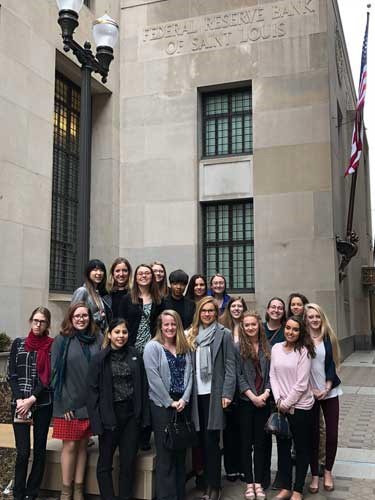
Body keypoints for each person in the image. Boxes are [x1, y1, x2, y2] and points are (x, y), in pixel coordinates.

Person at [87, 318, 148, 500]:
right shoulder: (99, 359)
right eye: (117, 332)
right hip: (109, 417)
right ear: (109, 334)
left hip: (131, 417)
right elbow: (92, 393)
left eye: (124, 332)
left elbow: (143, 388)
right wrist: (96, 424)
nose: (121, 336)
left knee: (128, 463)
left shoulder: (135, 355)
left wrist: (143, 418)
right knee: (105, 464)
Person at [51, 302, 103, 500]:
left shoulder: (97, 338)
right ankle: (66, 491)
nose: (81, 319)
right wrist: (64, 404)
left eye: (85, 316)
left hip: (90, 403)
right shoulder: (62, 340)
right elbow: (55, 375)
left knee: (82, 445)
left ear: (90, 317)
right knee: (70, 446)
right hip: (68, 404)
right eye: (77, 316)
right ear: (71, 318)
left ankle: (79, 490)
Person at [187, 296, 236, 500]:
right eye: (204, 310)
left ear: (216, 313)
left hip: (214, 395)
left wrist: (227, 393)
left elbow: (231, 366)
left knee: (211, 442)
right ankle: (205, 482)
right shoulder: (191, 334)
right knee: (198, 442)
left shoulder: (223, 334)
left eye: (211, 311)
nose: (207, 314)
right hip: (194, 396)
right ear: (199, 312)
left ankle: (215, 487)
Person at [143, 310, 193, 500]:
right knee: (165, 455)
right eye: (166, 324)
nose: (170, 328)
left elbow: (191, 375)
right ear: (160, 326)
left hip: (182, 404)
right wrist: (169, 402)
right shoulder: (152, 347)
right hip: (162, 405)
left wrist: (184, 399)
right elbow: (153, 378)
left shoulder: (185, 347)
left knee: (181, 452)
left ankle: (180, 495)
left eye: (173, 324)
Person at [8, 307, 54, 500]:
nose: (38, 324)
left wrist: (32, 398)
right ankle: (18, 493)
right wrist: (20, 399)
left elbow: (49, 376)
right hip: (19, 404)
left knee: (40, 450)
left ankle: (32, 492)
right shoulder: (19, 344)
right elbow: (11, 374)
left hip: (41, 403)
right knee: (23, 451)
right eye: (35, 320)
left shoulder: (52, 346)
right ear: (30, 321)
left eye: (42, 322)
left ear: (47, 325)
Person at [269, 316, 316, 500]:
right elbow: (273, 375)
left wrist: (287, 404)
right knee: (282, 448)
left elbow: (302, 384)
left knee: (302, 448)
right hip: (281, 406)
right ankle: (285, 487)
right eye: (288, 328)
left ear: (301, 332)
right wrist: (279, 399)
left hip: (301, 407)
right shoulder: (276, 348)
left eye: (295, 329)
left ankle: (297, 489)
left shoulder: (304, 351)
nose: (290, 332)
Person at [305, 303, 342, 494]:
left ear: (322, 318)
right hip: (308, 394)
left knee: (332, 434)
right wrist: (309, 388)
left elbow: (333, 364)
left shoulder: (329, 337)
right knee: (313, 435)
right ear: (306, 319)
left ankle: (328, 471)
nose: (314, 319)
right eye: (310, 316)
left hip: (330, 392)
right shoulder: (302, 339)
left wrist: (327, 387)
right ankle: (315, 475)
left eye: (317, 316)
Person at [237, 312, 271, 500]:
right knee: (245, 443)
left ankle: (259, 483)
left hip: (264, 402)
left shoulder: (268, 348)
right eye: (246, 325)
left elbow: (272, 375)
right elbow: (238, 376)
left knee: (260, 443)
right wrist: (252, 397)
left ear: (259, 325)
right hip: (246, 402)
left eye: (253, 324)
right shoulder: (238, 348)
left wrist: (265, 394)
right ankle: (248, 483)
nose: (250, 327)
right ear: (243, 327)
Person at [219, 296, 248, 481]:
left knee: (244, 430)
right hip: (228, 384)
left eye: (240, 306)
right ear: (229, 309)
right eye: (233, 306)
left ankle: (245, 468)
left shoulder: (249, 327)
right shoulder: (223, 329)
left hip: (245, 385)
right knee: (229, 430)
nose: (236, 309)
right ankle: (231, 469)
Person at [262, 297, 286, 489]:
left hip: (281, 390)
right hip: (260, 390)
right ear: (267, 309)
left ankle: (283, 475)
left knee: (282, 434)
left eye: (280, 308)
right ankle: (263, 475)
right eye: (273, 307)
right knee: (263, 437)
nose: (276, 310)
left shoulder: (287, 330)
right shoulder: (259, 328)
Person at [118, 264, 164, 353]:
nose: (144, 276)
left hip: (153, 346)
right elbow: (120, 322)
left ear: (152, 277)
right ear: (135, 278)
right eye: (140, 273)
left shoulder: (159, 299)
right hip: (131, 346)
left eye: (147, 273)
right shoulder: (127, 299)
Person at [71, 259, 108, 333]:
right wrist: (99, 316)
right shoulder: (82, 291)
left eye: (101, 270)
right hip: (85, 335)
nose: (99, 273)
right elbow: (74, 316)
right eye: (95, 270)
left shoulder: (98, 293)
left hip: (98, 335)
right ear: (88, 273)